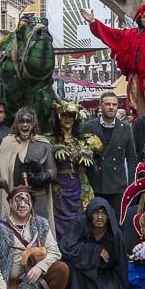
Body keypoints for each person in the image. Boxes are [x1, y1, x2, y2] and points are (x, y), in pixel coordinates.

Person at [59, 198, 127, 289]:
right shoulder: (79, 223)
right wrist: (95, 250)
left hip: (103, 273)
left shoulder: (115, 234)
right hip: (81, 271)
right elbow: (67, 248)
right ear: (90, 213)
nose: (100, 217)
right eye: (96, 212)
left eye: (103, 213)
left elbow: (121, 264)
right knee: (71, 265)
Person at [49, 101, 100, 241]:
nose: (68, 119)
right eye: (64, 115)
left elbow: (97, 149)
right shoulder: (49, 139)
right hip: (58, 190)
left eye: (71, 116)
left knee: (81, 223)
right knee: (58, 226)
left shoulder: (84, 140)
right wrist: (55, 148)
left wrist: (87, 153)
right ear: (58, 117)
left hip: (79, 187)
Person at [0, 108, 55, 223]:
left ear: (34, 124)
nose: (25, 124)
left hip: (37, 197)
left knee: (38, 233)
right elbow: (2, 174)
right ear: (17, 124)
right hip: (13, 197)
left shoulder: (42, 144)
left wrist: (42, 177)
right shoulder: (7, 143)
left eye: (28, 121)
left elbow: (52, 170)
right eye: (22, 121)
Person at [83, 91, 137, 208]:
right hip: (95, 183)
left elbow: (132, 158)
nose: (111, 107)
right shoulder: (88, 126)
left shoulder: (125, 128)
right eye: (107, 104)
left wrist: (130, 184)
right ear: (100, 106)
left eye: (114, 104)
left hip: (117, 185)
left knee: (117, 222)